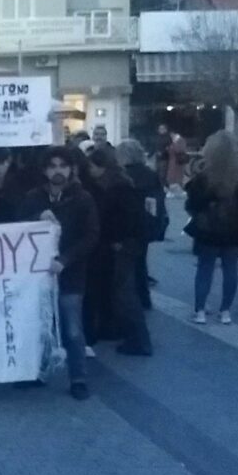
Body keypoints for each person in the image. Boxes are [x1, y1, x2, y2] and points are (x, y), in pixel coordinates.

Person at [18, 147, 98, 401]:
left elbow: (91, 236)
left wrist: (65, 260)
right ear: (44, 170)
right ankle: (37, 372)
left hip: (70, 274)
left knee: (72, 329)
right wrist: (37, 217)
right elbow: (18, 227)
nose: (58, 171)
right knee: (38, 325)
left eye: (62, 166)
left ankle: (78, 378)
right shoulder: (33, 197)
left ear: (71, 169)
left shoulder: (83, 199)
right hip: (37, 276)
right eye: (52, 166)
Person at [86, 148, 153, 356]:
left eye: (91, 166)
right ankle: (134, 337)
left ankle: (139, 340)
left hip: (124, 244)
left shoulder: (116, 188)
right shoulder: (120, 183)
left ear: (101, 167)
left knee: (124, 293)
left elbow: (124, 218)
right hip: (129, 243)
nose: (89, 171)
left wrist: (117, 240)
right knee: (123, 291)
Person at [184, 131, 238, 326]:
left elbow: (192, 204)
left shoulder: (204, 177)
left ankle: (200, 310)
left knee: (205, 269)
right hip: (235, 229)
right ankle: (225, 311)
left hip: (208, 229)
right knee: (230, 269)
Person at [117, 139, 167, 310]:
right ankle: (144, 297)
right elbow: (158, 200)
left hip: (128, 224)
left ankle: (131, 300)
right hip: (146, 223)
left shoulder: (122, 174)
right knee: (140, 261)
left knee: (127, 264)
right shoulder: (150, 174)